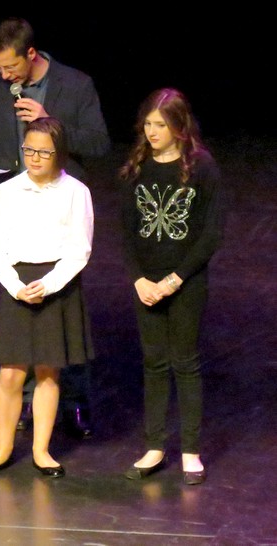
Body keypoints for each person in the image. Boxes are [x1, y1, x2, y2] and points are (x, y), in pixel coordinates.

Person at [0, 16, 110, 438]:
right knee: (23, 304)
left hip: (60, 199)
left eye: (10, 67)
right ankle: (30, 401)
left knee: (64, 306)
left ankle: (74, 400)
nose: (4, 75)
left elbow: (99, 143)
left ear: (31, 54)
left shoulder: (75, 84)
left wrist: (51, 122)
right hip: (19, 198)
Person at [0, 117, 94, 478]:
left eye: (44, 151)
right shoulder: (8, 191)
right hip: (18, 284)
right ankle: (3, 447)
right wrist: (15, 286)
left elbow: (79, 249)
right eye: (29, 150)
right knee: (10, 374)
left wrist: (51, 283)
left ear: (59, 154)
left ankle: (42, 450)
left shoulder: (76, 192)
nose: (35, 157)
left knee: (47, 370)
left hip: (56, 283)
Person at [119, 88, 224, 485]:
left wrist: (175, 279)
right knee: (154, 363)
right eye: (147, 124)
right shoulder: (137, 167)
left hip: (186, 282)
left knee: (185, 361)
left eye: (160, 124)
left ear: (179, 126)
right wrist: (139, 279)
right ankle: (154, 446)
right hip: (147, 283)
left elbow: (211, 234)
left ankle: (191, 451)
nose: (152, 131)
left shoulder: (202, 169)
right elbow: (126, 232)